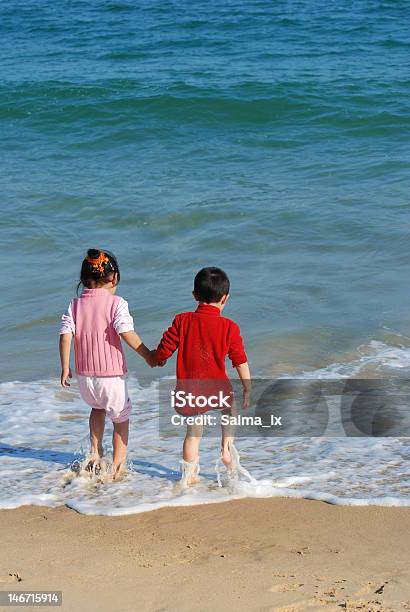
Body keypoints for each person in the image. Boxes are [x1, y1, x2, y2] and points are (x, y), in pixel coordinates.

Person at [59, 249, 157, 479]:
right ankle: (117, 467)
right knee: (120, 418)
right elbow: (126, 332)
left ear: (83, 280)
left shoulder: (74, 305)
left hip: (85, 376)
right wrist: (147, 355)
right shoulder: (117, 303)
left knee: (96, 409)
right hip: (110, 376)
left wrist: (65, 367)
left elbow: (65, 335)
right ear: (114, 277)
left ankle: (95, 452)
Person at [155, 267, 251, 485]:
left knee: (193, 434)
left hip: (189, 391)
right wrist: (247, 387)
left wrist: (157, 359)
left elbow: (165, 349)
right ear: (225, 298)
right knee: (229, 409)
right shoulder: (229, 327)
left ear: (195, 295)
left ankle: (189, 478)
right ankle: (226, 447)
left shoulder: (182, 321)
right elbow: (240, 360)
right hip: (217, 389)